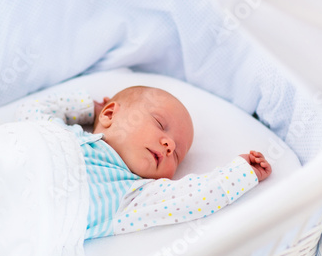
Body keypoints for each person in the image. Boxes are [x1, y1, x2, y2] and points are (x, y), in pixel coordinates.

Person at [16, 86, 272, 239]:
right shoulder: (62, 135)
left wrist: (240, 172)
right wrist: (88, 107)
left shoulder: (131, 195)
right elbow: (31, 113)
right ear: (109, 114)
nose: (169, 145)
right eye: (160, 125)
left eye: (177, 155)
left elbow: (192, 199)